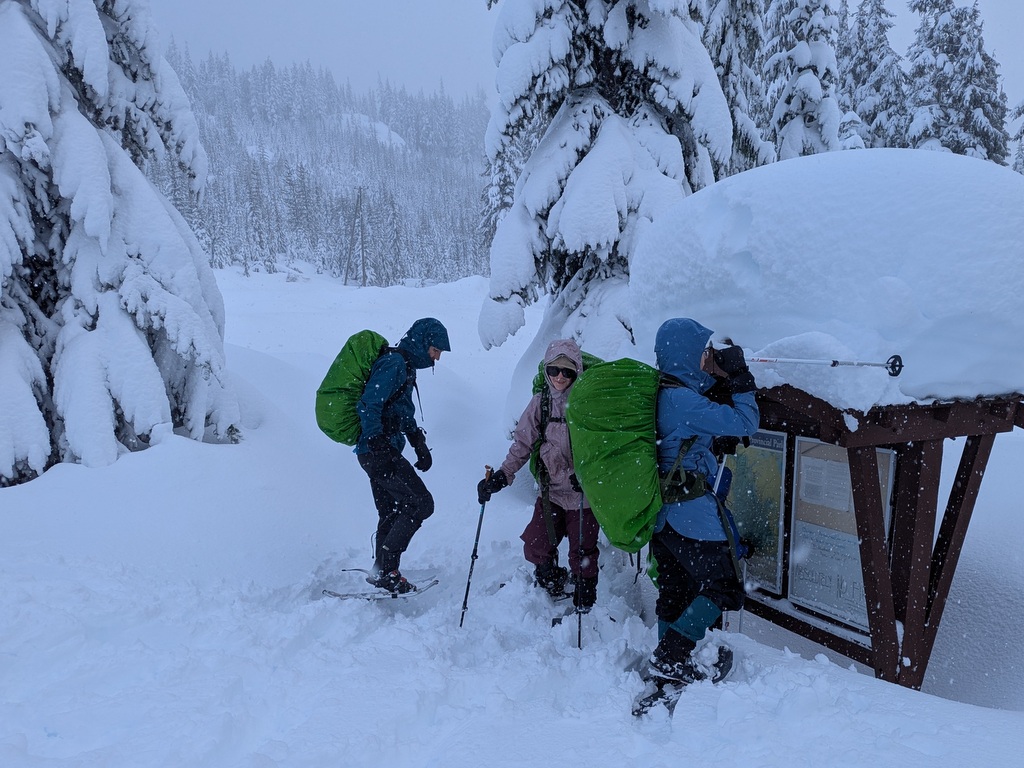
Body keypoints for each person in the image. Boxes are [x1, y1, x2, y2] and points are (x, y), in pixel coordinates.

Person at [647, 318, 759, 683]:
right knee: (725, 584)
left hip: (663, 516)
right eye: (703, 353)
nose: (705, 358)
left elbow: (692, 420)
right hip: (691, 514)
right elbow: (746, 422)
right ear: (686, 354)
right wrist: (740, 376)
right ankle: (672, 652)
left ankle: (668, 658)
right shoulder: (682, 402)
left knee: (674, 587)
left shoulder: (663, 391)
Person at [477, 339, 600, 611]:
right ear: (546, 370)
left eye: (567, 371)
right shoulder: (540, 403)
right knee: (536, 544)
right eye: (554, 370)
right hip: (551, 492)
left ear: (577, 371)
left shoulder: (588, 403)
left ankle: (586, 597)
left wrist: (590, 474)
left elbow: (603, 447)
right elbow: (523, 443)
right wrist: (502, 475)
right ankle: (552, 581)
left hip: (584, 495)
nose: (560, 377)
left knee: (583, 553)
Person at [355, 317, 451, 594]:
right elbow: (369, 403)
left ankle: (380, 570)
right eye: (436, 350)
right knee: (421, 503)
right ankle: (387, 570)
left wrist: (417, 442)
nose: (437, 357)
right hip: (376, 452)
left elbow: (403, 411)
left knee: (392, 510)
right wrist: (376, 442)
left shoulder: (405, 367)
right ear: (424, 344)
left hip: (379, 450)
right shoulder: (395, 363)